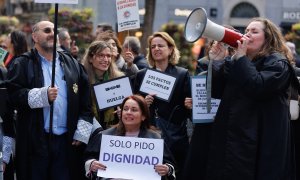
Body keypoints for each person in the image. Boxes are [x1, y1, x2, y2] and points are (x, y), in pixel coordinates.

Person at [203, 17, 297, 179]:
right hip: (236, 140)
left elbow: (258, 86)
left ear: (268, 38)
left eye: (254, 31)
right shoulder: (236, 62)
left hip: (262, 140)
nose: (247, 35)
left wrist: (240, 59)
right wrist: (216, 63)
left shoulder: (277, 63)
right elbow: (215, 91)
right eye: (246, 31)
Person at [6, 20, 94, 180]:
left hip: (66, 143)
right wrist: (42, 96)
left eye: (54, 30)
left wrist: (82, 132)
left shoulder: (72, 63)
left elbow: (86, 102)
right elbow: (12, 96)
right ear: (35, 37)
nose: (53, 34)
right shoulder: (22, 63)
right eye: (47, 30)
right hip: (35, 143)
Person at [133, 32, 191, 179]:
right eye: (153, 46)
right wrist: (142, 104)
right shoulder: (141, 75)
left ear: (171, 49)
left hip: (175, 138)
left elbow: (190, 110)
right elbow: (132, 106)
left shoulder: (182, 74)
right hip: (148, 137)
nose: (156, 49)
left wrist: (191, 105)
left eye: (160, 45)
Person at [84, 94, 176, 180]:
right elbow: (88, 158)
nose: (128, 112)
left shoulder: (155, 138)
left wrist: (167, 169)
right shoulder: (105, 136)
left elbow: (170, 165)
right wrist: (92, 164)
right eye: (125, 109)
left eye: (134, 110)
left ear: (143, 116)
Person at [182, 39, 236, 180]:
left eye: (221, 44)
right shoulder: (204, 63)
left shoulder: (237, 64)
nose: (216, 47)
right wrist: (194, 102)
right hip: (205, 123)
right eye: (214, 43)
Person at [82, 40, 124, 129]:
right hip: (91, 130)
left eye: (108, 56)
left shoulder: (119, 79)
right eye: (101, 55)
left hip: (114, 129)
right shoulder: (82, 80)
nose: (105, 60)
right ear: (90, 58)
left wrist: (123, 112)